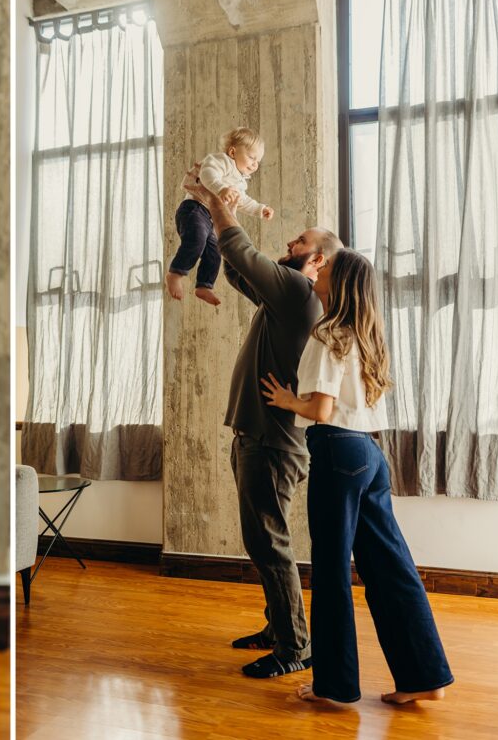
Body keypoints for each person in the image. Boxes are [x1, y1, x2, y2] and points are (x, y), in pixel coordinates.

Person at [261, 249, 453, 704]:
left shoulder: (327, 333)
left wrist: (289, 401)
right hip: (370, 453)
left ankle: (335, 687)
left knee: (330, 570)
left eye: (324, 269)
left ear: (339, 282)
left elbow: (321, 409)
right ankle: (424, 677)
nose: (316, 271)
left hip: (335, 450)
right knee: (391, 567)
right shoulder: (369, 336)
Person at [181, 163, 341, 679]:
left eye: (298, 242)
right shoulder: (283, 298)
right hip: (257, 436)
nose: (289, 243)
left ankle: (295, 646)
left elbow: (243, 252)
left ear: (316, 259)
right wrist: (213, 215)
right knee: (262, 539)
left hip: (273, 442)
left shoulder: (298, 292)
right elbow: (237, 268)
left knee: (268, 542)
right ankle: (279, 627)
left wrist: (212, 197)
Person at [165, 127, 275, 306]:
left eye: (258, 161)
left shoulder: (240, 181)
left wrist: (260, 209)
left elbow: (242, 201)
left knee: (215, 251)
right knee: (197, 240)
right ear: (233, 151)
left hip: (209, 217)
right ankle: (175, 274)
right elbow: (207, 175)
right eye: (252, 157)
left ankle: (204, 286)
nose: (255, 164)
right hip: (194, 209)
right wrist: (221, 189)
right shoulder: (221, 161)